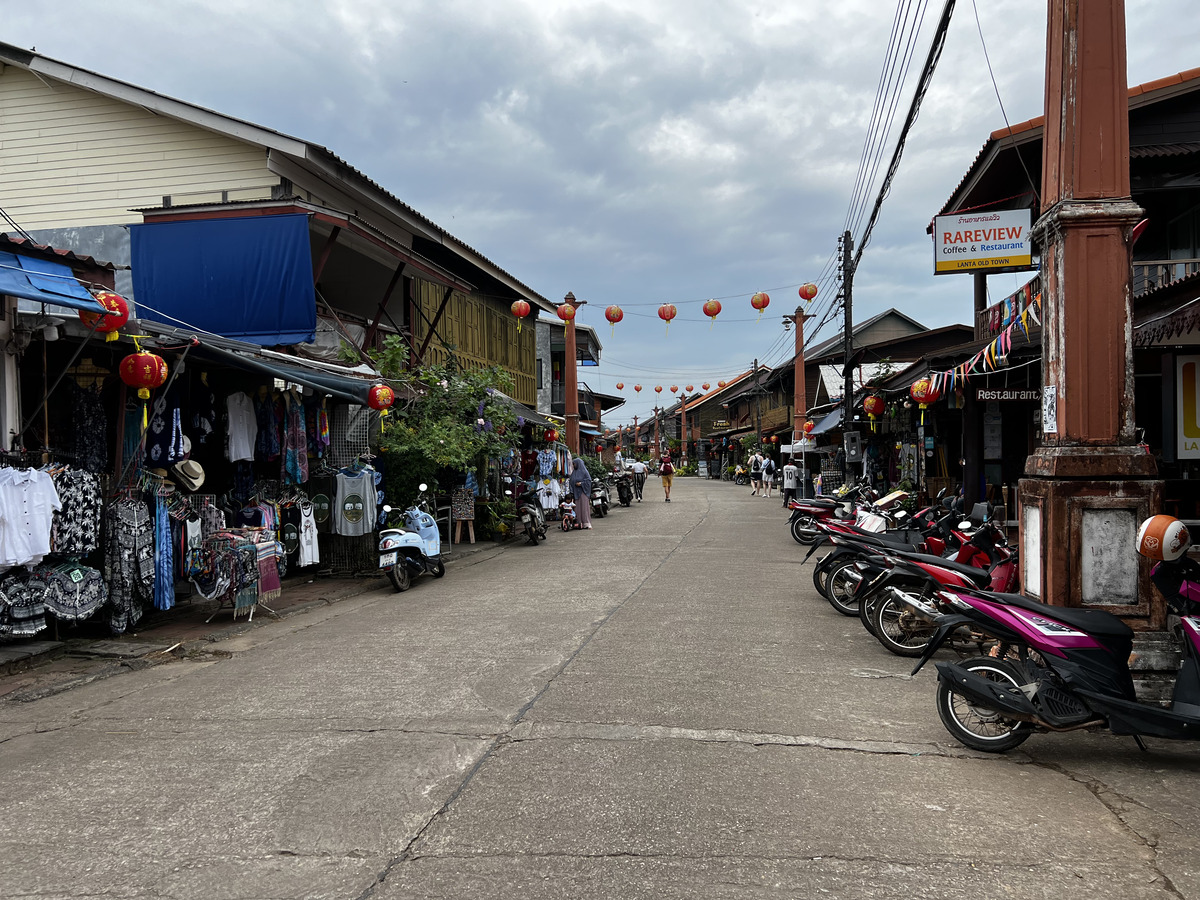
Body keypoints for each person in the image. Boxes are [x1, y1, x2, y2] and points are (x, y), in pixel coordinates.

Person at [570, 457, 593, 529]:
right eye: (573, 464)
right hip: (576, 493)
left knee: (584, 508)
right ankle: (579, 523)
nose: (574, 465)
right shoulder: (574, 473)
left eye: (574, 464)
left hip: (583, 492)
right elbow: (571, 482)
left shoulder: (584, 472)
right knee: (577, 508)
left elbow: (588, 481)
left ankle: (586, 523)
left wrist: (581, 484)